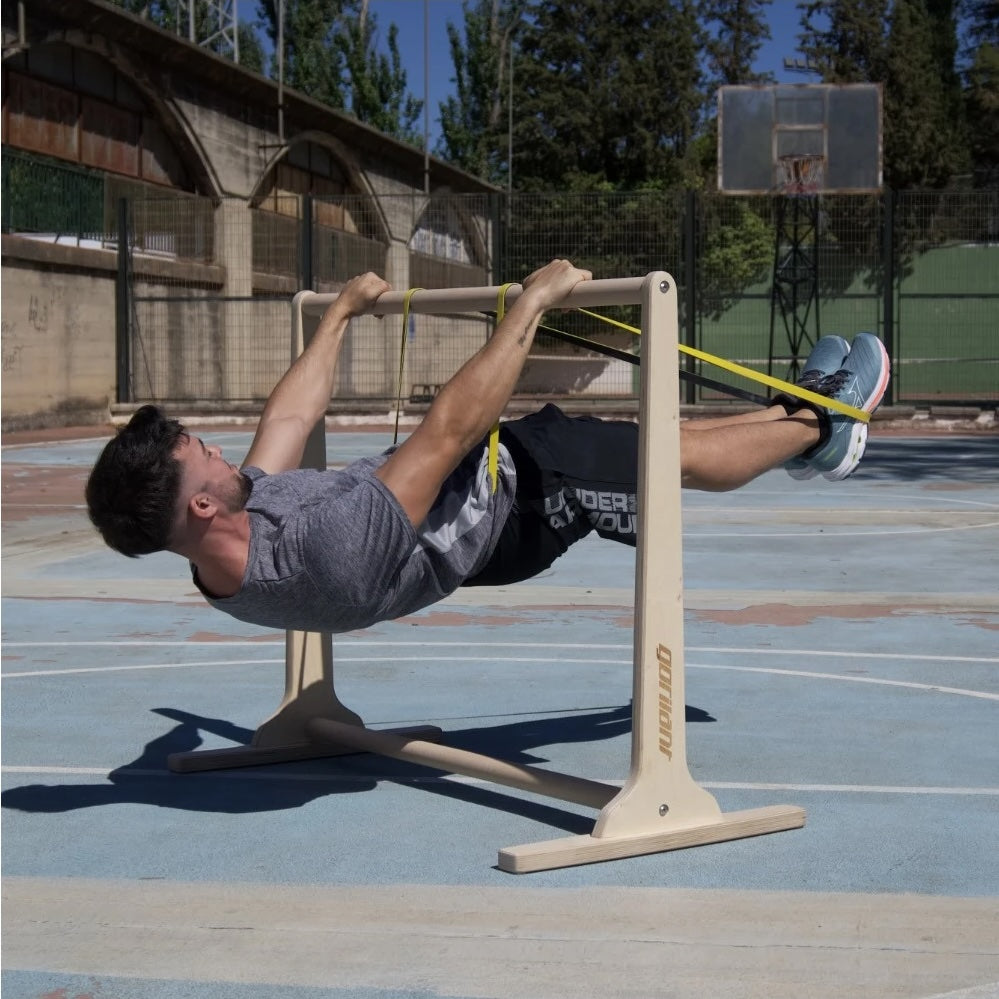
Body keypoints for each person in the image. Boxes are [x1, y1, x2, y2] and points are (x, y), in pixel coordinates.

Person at [85, 259, 890, 634]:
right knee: (659, 459)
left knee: (651, 437)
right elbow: (448, 431)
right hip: (511, 517)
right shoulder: (324, 551)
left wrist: (337, 315)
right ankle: (826, 425)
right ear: (197, 501)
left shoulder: (225, 537)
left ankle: (797, 414)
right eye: (205, 452)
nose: (225, 454)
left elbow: (288, 423)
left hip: (484, 477)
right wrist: (531, 305)